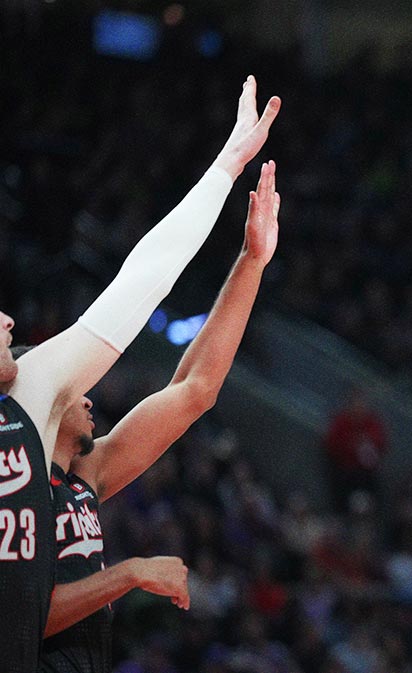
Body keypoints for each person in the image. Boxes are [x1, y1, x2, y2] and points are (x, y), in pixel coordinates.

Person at [0, 75, 279, 672]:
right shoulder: (26, 414)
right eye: (72, 390)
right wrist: (128, 573)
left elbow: (193, 390)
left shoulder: (82, 478)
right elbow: (26, 611)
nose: (87, 393)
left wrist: (252, 261)